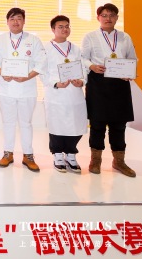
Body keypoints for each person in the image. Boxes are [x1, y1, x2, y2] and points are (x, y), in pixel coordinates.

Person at [81, 3, 137, 177]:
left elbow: (132, 58)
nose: (108, 18)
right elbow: (82, 58)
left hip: (120, 84)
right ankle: (95, 160)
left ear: (117, 18)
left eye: (112, 15)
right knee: (97, 124)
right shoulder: (90, 36)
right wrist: (92, 66)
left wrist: (129, 73)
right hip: (98, 83)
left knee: (119, 125)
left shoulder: (125, 37)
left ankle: (119, 161)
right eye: (104, 15)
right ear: (98, 18)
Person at [0, 8, 46, 172]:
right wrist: (2, 73)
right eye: (12, 19)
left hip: (27, 89)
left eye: (19, 18)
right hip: (6, 89)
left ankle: (28, 155)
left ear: (24, 21)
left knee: (26, 123)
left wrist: (27, 77)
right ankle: (8, 153)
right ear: (7, 21)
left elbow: (41, 63)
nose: (16, 22)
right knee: (8, 122)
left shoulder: (34, 40)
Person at [41, 15, 87, 173]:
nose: (65, 29)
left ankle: (71, 154)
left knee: (76, 125)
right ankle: (58, 155)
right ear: (53, 29)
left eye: (67, 26)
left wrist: (82, 81)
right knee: (57, 125)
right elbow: (42, 72)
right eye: (60, 27)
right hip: (56, 94)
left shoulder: (76, 49)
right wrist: (55, 83)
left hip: (74, 93)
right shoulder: (45, 49)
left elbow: (83, 69)